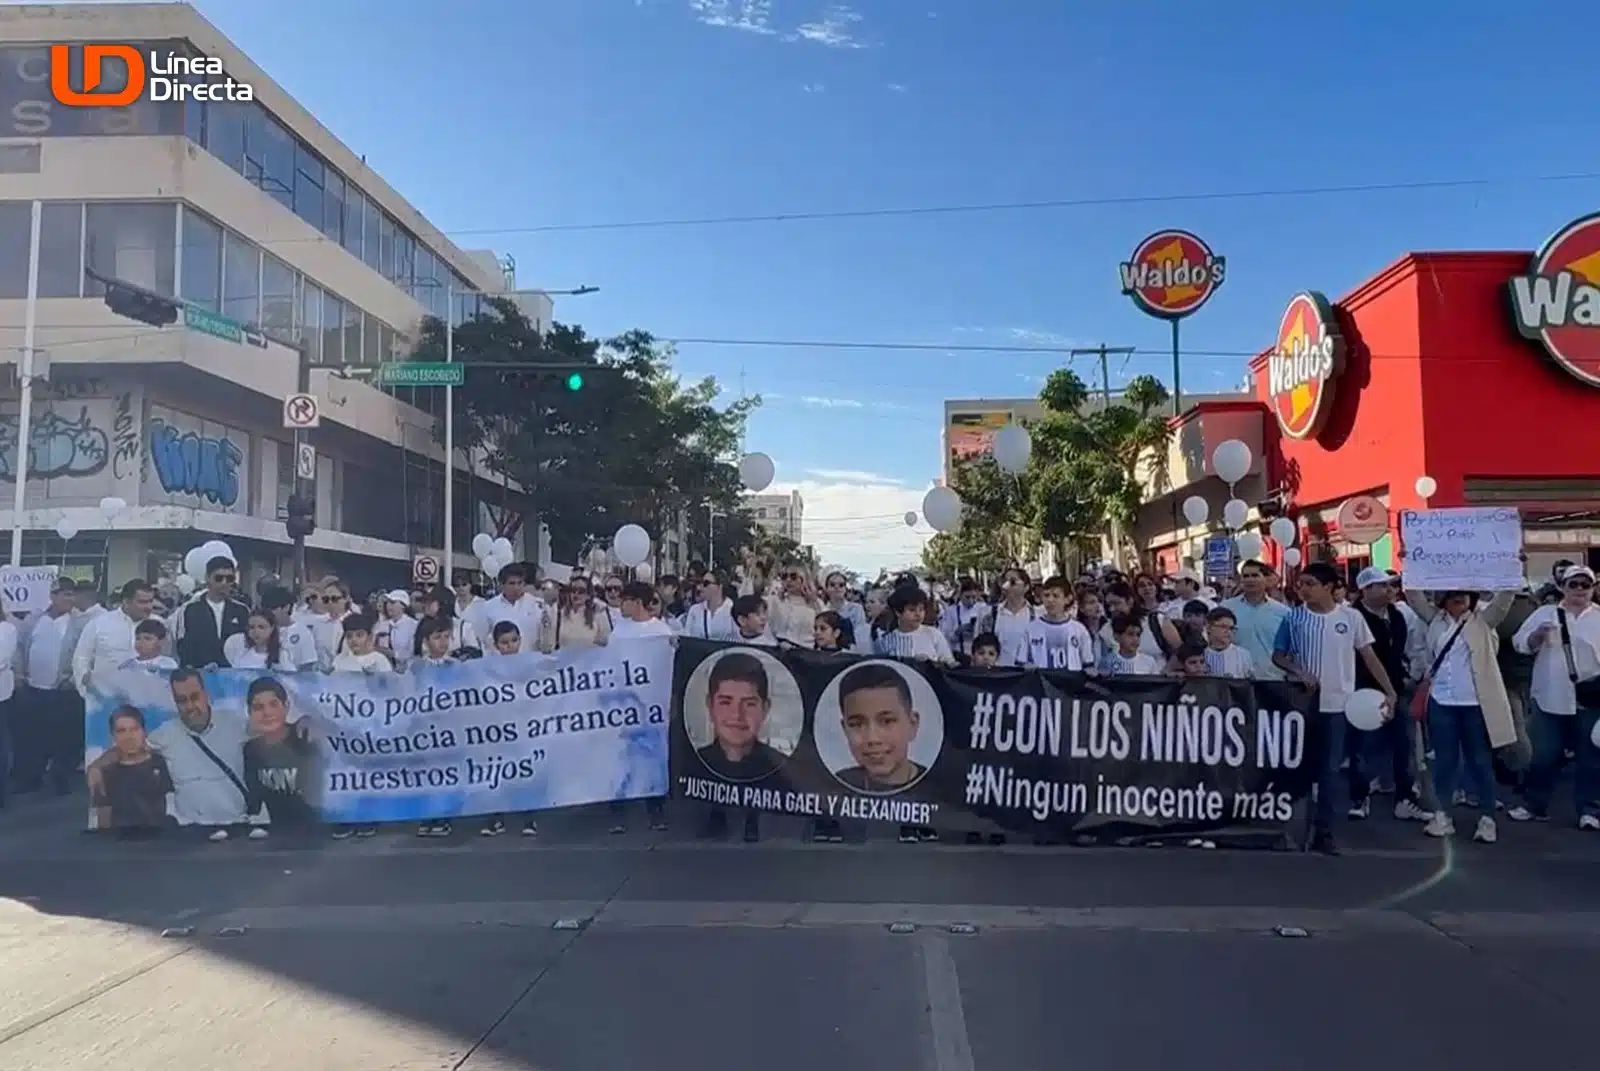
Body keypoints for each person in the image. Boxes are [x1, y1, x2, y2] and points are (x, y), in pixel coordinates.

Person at [1273, 562, 1399, 855]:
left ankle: (1324, 831)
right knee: (1298, 767)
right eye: (1300, 583)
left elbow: (1369, 656)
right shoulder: (1294, 618)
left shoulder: (1351, 617)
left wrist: (1389, 692)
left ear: (1329, 587)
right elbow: (1278, 654)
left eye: (1310, 583)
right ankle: (1292, 830)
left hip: (1340, 705)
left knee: (1330, 770)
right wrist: (1297, 671)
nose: (1303, 589)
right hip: (1302, 705)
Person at [87, 667, 256, 841]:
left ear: (206, 694)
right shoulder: (165, 735)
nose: (190, 706)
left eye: (194, 697)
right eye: (182, 700)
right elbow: (131, 746)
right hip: (191, 834)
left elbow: (272, 732)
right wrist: (96, 767)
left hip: (238, 827)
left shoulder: (235, 724)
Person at [1404, 585, 1517, 843]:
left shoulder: (1483, 620)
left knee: (1480, 761)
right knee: (1445, 761)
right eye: (1453, 593)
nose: (1459, 597)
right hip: (1442, 701)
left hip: (1477, 703)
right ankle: (1443, 815)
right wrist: (1409, 562)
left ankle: (1487, 818)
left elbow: (1504, 600)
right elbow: (1413, 596)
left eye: (1464, 593)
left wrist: (1513, 569)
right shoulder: (1435, 620)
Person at [1509, 564, 1600, 828]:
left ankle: (1590, 810)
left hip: (1590, 700)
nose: (1580, 590)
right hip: (1550, 697)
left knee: (1591, 758)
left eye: (1586, 584)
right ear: (1563, 587)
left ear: (1593, 588)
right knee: (1544, 755)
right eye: (1574, 584)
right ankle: (1534, 804)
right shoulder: (1546, 613)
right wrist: (1536, 637)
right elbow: (1519, 643)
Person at [1350, 568, 1429, 822]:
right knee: (1364, 745)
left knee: (1404, 743)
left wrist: (1404, 677)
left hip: (1397, 687)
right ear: (1366, 590)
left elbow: (1401, 650)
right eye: (1382, 586)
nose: (1389, 591)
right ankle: (1359, 797)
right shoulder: (1354, 617)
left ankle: (1405, 798)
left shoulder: (1396, 615)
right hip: (1363, 689)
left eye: (1391, 586)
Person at [242, 676, 322, 831]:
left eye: (273, 704)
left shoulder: (305, 737)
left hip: (317, 832)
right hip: (276, 834)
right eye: (258, 707)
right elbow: (254, 800)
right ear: (249, 712)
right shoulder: (251, 750)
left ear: (286, 706)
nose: (267, 713)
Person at [834, 662, 926, 795]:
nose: (872, 738)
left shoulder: (939, 789)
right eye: (857, 724)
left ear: (912, 724)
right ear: (845, 729)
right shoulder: (833, 786)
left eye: (887, 721)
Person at [696, 652, 788, 781]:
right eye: (725, 703)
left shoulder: (786, 771)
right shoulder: (690, 763)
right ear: (710, 705)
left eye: (749, 704)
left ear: (765, 708)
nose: (737, 715)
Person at [91, 706, 174, 836]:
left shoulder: (161, 763)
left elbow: (173, 805)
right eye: (121, 731)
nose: (128, 737)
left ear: (144, 732)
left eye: (134, 729)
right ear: (113, 736)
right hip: (122, 844)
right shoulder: (105, 773)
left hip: (159, 842)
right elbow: (104, 819)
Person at [73, 579, 156, 698]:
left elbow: (168, 660)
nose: (148, 607)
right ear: (126, 602)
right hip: (105, 700)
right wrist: (86, 691)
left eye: (150, 601)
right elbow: (81, 658)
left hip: (147, 700)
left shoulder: (159, 625)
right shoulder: (99, 624)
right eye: (142, 602)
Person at [174, 557, 250, 667]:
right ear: (207, 578)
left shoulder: (242, 610)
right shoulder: (189, 609)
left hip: (232, 674)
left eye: (229, 578)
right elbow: (182, 645)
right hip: (200, 674)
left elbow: (249, 644)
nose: (224, 583)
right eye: (219, 578)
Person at [1023, 576, 1095, 670]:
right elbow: (1022, 662)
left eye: (1056, 596)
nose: (1050, 600)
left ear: (1067, 599)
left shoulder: (1079, 629)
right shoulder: (1031, 629)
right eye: (1046, 595)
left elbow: (1088, 664)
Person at [874, 587, 955, 664]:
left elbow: (949, 663)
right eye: (912, 610)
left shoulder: (934, 634)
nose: (918, 614)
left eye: (921, 609)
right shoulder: (886, 641)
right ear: (898, 612)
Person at [479, 564, 547, 654]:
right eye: (512, 583)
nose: (516, 587)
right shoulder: (489, 607)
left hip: (530, 662)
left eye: (520, 583)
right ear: (502, 585)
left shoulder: (537, 605)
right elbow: (482, 640)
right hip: (501, 664)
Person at [542, 577, 612, 650]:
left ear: (588, 595)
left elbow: (605, 644)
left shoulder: (598, 615)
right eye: (573, 590)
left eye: (581, 591)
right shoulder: (559, 614)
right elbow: (550, 643)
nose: (576, 594)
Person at [1099, 612, 1165, 675]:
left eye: (1138, 635)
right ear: (1117, 637)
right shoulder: (1107, 662)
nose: (1135, 639)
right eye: (1130, 634)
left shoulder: (1149, 662)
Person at [1201, 607, 1254, 679]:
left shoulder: (1243, 655)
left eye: (1231, 628)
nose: (1228, 631)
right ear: (1209, 627)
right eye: (1223, 627)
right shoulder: (1201, 653)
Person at [611, 582, 675, 640]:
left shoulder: (661, 631)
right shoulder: (620, 627)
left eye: (624, 600)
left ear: (638, 602)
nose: (620, 604)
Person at [375, 590, 418, 670]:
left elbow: (414, 653)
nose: (388, 606)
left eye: (393, 602)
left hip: (407, 672)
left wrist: (393, 654)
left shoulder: (413, 626)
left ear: (403, 605)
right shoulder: (381, 625)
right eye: (388, 602)